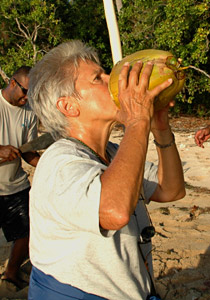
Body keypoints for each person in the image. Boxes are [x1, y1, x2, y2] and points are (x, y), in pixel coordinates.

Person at [28, 40, 185, 300]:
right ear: (69, 106)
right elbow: (114, 212)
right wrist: (137, 121)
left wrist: (159, 127)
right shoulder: (58, 162)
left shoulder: (112, 153)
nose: (112, 78)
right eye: (98, 78)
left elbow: (171, 190)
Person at [0, 66, 40, 289]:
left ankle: (12, 273)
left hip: (15, 184)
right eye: (25, 91)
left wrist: (48, 164)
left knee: (26, 231)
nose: (27, 98)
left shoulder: (30, 112)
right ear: (13, 83)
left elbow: (28, 152)